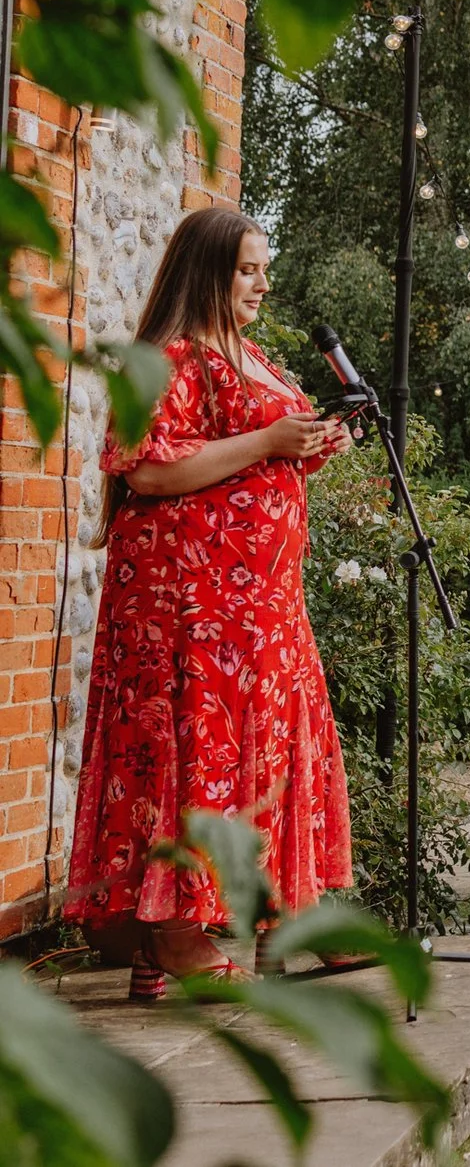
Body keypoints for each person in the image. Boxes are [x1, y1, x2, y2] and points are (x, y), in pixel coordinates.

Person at [68, 209, 353, 997]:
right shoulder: (166, 357)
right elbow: (148, 469)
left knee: (268, 758)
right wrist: (270, 443)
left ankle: (294, 913)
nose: (264, 281)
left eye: (265, 267)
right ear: (208, 272)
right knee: (190, 762)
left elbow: (254, 452)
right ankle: (175, 930)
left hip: (258, 610)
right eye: (248, 269)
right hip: (188, 612)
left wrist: (312, 443)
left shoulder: (249, 355)